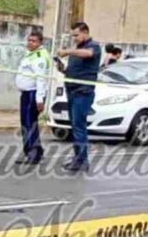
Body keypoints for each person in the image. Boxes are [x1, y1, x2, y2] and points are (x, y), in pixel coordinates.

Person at [56, 22, 101, 172]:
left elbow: (88, 54)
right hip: (72, 91)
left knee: (79, 128)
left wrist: (68, 51)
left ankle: (82, 161)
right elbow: (73, 70)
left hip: (83, 92)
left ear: (85, 33)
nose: (74, 38)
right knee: (75, 127)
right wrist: (63, 69)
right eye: (73, 36)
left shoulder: (93, 46)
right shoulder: (77, 51)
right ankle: (78, 158)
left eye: (76, 35)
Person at [15, 30, 49, 165]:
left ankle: (32, 153)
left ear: (40, 42)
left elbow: (41, 79)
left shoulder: (40, 56)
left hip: (33, 94)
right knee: (26, 123)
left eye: (33, 41)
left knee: (29, 124)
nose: (30, 43)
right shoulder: (30, 55)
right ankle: (35, 150)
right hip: (26, 93)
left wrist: (39, 99)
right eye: (29, 40)